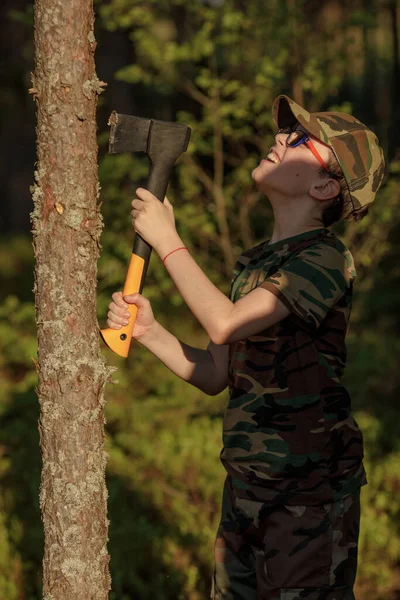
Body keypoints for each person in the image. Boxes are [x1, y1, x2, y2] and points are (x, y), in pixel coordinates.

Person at [106, 95, 385, 600]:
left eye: (300, 140)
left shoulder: (325, 259)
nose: (280, 139)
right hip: (247, 486)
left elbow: (225, 323)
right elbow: (217, 374)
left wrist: (168, 239)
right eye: (285, 133)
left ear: (325, 186)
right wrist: (151, 332)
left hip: (307, 496)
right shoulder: (255, 262)